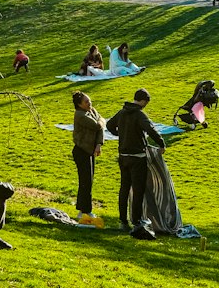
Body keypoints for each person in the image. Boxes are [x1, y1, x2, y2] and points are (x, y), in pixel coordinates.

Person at [105, 88, 166, 235]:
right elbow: (150, 130)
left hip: (123, 156)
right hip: (137, 157)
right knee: (138, 190)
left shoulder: (122, 112)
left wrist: (121, 134)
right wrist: (161, 143)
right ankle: (136, 221)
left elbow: (109, 125)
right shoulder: (139, 114)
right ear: (144, 101)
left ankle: (122, 220)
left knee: (124, 188)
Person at [71, 91, 104, 215]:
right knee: (85, 181)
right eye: (86, 102)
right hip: (81, 151)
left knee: (89, 181)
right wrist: (102, 121)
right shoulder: (80, 115)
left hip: (90, 150)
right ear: (79, 104)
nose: (89, 103)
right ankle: (85, 210)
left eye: (89, 100)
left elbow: (100, 128)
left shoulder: (92, 111)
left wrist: (99, 144)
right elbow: (97, 125)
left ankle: (82, 208)